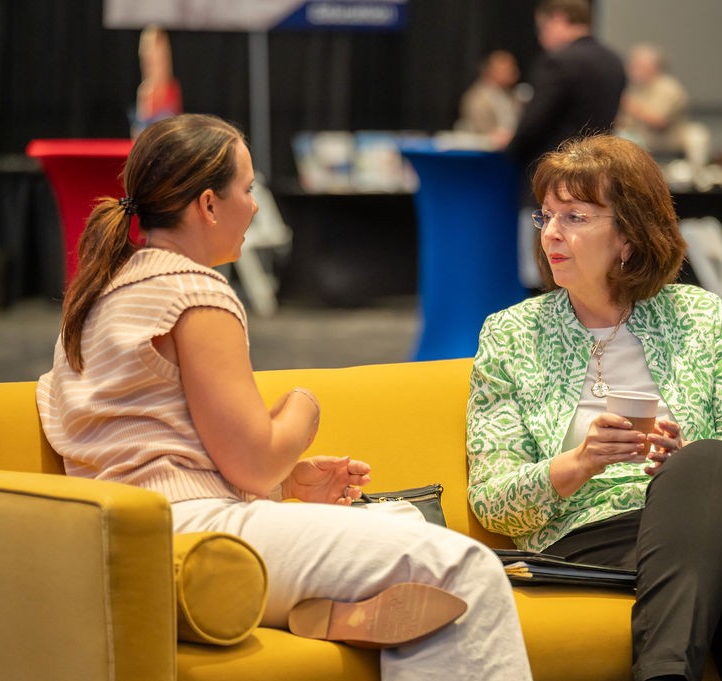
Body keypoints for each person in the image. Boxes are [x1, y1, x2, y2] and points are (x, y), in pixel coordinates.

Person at [36, 113, 532, 680]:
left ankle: (327, 614)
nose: (253, 205)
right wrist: (303, 406)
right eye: (247, 189)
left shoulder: (99, 293)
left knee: (407, 525)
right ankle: (312, 609)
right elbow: (250, 462)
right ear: (208, 205)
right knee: (463, 568)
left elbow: (148, 444)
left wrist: (287, 484)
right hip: (194, 540)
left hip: (136, 538)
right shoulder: (193, 289)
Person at [466, 134, 722, 681]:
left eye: (575, 217)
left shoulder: (696, 315)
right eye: (546, 216)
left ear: (627, 237)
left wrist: (684, 462)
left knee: (708, 463)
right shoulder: (511, 335)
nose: (551, 234)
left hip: (713, 507)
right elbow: (491, 501)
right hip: (591, 532)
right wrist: (579, 463)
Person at [504, 0, 626, 289]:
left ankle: (543, 334)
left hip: (551, 181)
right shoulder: (613, 61)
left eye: (542, 27)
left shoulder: (558, 61)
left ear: (558, 19)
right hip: (597, 184)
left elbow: (532, 127)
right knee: (590, 275)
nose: (540, 36)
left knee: (543, 275)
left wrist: (509, 150)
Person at [616, 43, 690, 159]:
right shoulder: (638, 88)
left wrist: (627, 103)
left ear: (653, 66)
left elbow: (659, 120)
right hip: (639, 150)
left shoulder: (668, 87)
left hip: (664, 152)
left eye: (636, 64)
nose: (630, 68)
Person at [454, 50, 523, 147]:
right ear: (491, 71)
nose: (515, 72)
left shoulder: (514, 95)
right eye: (508, 69)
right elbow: (480, 128)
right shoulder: (477, 98)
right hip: (486, 149)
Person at [131, 25, 183, 137]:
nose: (156, 67)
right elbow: (138, 133)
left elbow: (177, 129)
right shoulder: (145, 91)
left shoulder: (173, 87)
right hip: (149, 144)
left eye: (160, 61)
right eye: (151, 62)